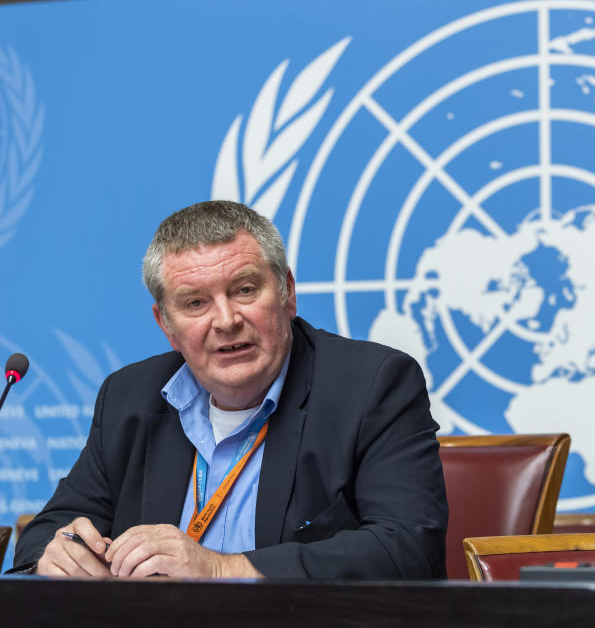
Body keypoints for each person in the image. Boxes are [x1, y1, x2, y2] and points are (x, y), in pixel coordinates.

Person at [12, 201, 447, 579]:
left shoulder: (372, 385)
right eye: (195, 303)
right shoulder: (130, 396)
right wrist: (59, 553)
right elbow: (48, 532)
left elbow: (406, 548)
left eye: (243, 290)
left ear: (287, 292)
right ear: (166, 325)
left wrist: (220, 569)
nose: (225, 320)